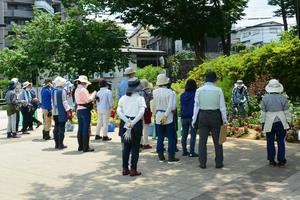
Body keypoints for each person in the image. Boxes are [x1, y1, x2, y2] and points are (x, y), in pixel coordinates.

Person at [192, 72, 227, 169]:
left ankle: (202, 162)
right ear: (215, 79)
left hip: (203, 115)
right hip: (215, 115)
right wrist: (224, 120)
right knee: (218, 141)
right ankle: (219, 162)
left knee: (202, 141)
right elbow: (222, 107)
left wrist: (194, 119)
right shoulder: (218, 90)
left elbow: (196, 106)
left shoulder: (199, 90)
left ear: (205, 79)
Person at [117, 78, 146, 176]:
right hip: (136, 123)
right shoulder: (140, 98)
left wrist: (127, 121)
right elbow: (142, 112)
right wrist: (133, 122)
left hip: (125, 123)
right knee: (135, 147)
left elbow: (118, 111)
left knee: (126, 147)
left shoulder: (123, 98)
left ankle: (125, 169)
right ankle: (133, 169)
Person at [260, 79, 292, 167]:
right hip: (281, 121)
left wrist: (262, 123)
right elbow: (286, 112)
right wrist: (289, 121)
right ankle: (281, 161)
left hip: (269, 121)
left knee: (270, 141)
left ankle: (271, 160)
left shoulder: (265, 98)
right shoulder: (283, 98)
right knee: (281, 141)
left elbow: (263, 113)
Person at [152, 74, 179, 163]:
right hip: (168, 116)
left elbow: (154, 104)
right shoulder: (170, 92)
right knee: (171, 136)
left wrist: (156, 114)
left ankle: (161, 156)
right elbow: (171, 106)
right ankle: (171, 157)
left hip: (158, 114)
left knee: (160, 136)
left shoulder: (154, 92)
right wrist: (166, 115)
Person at [75, 75, 96, 152]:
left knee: (80, 128)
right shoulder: (83, 90)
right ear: (84, 82)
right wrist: (94, 93)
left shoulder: (77, 89)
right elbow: (88, 100)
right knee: (86, 128)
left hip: (79, 110)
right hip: (85, 110)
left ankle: (80, 146)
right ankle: (85, 147)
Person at [52, 76, 72, 150]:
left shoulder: (53, 90)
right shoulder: (62, 90)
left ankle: (56, 144)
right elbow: (65, 102)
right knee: (61, 128)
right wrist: (68, 110)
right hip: (61, 112)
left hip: (54, 112)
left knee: (56, 127)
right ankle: (61, 144)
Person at [180, 79, 198, 157]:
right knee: (193, 135)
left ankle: (184, 151)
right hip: (192, 116)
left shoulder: (182, 95)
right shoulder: (195, 95)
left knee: (184, 134)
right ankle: (191, 152)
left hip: (184, 116)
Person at [139, 79, 153, 149]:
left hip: (139, 111)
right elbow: (151, 101)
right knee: (146, 128)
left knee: (140, 127)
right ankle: (146, 143)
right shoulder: (149, 91)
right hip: (146, 111)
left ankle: (140, 143)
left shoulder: (138, 92)